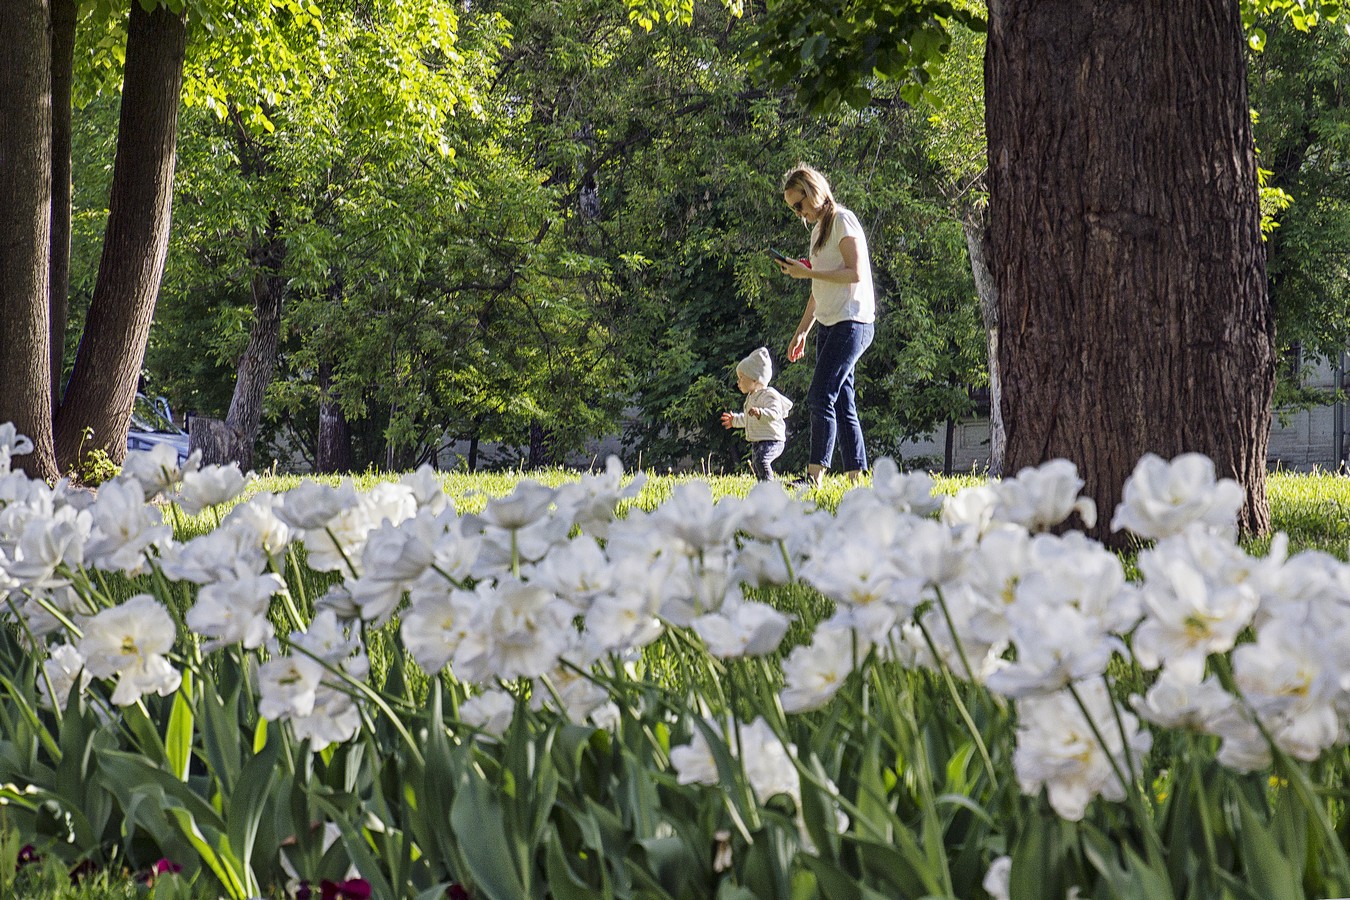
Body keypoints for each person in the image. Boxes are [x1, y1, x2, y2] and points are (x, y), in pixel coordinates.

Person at [775, 164, 875, 488]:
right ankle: (856, 479)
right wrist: (802, 330)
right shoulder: (818, 230)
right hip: (830, 324)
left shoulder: (843, 220)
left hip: (853, 322)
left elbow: (854, 273)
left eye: (798, 204)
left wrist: (808, 273)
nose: (797, 212)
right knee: (843, 400)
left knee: (820, 395)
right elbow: (819, 291)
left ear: (813, 191)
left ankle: (814, 478)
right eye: (793, 208)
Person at [720, 347, 793, 481]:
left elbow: (775, 413)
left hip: (773, 440)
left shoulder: (769, 395)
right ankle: (762, 488)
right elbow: (749, 418)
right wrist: (735, 420)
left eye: (741, 378)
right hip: (759, 440)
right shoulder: (751, 397)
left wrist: (761, 413)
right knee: (757, 464)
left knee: (762, 461)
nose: (738, 382)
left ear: (755, 379)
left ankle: (769, 489)